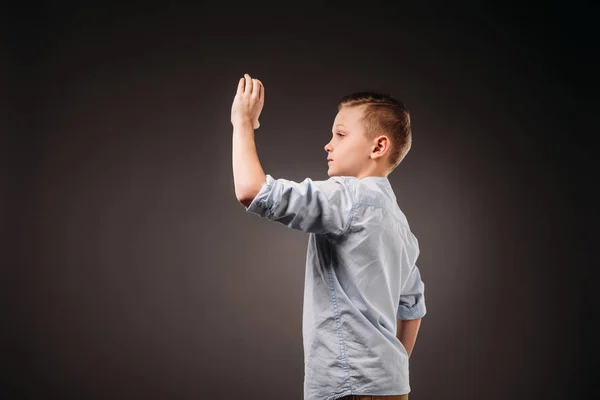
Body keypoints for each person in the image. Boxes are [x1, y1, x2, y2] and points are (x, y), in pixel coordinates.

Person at [231, 73, 427, 400]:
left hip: (347, 387)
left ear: (378, 146)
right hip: (391, 387)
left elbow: (253, 192)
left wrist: (243, 124)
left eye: (340, 134)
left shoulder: (347, 196)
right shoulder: (401, 226)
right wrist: (386, 367)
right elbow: (413, 308)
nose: (328, 144)